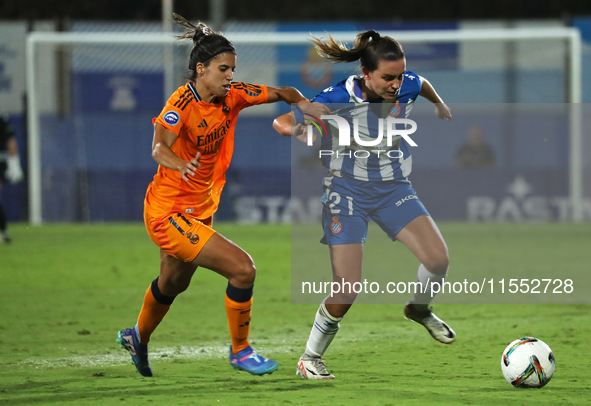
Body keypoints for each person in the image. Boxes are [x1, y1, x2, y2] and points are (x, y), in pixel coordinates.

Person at [117, 14, 329, 377]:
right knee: (243, 270)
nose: (230, 76)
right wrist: (179, 165)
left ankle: (137, 337)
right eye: (223, 69)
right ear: (201, 69)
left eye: (232, 68)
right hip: (168, 213)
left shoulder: (233, 96)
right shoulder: (179, 106)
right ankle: (241, 350)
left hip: (198, 211)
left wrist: (307, 110)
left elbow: (285, 93)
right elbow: (158, 149)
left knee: (173, 283)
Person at [273, 30, 455, 379]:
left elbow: (422, 83)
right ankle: (310, 358)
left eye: (400, 75)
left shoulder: (407, 83)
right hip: (347, 194)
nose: (396, 84)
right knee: (348, 288)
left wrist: (439, 103)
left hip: (392, 190)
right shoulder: (337, 96)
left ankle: (418, 309)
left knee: (438, 260)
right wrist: (293, 128)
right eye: (388, 77)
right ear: (365, 73)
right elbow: (286, 120)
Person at [0, 115, 24, 243]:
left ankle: (3, 230)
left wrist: (15, 163)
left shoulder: (2, 120)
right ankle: (3, 231)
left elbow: (11, 141)